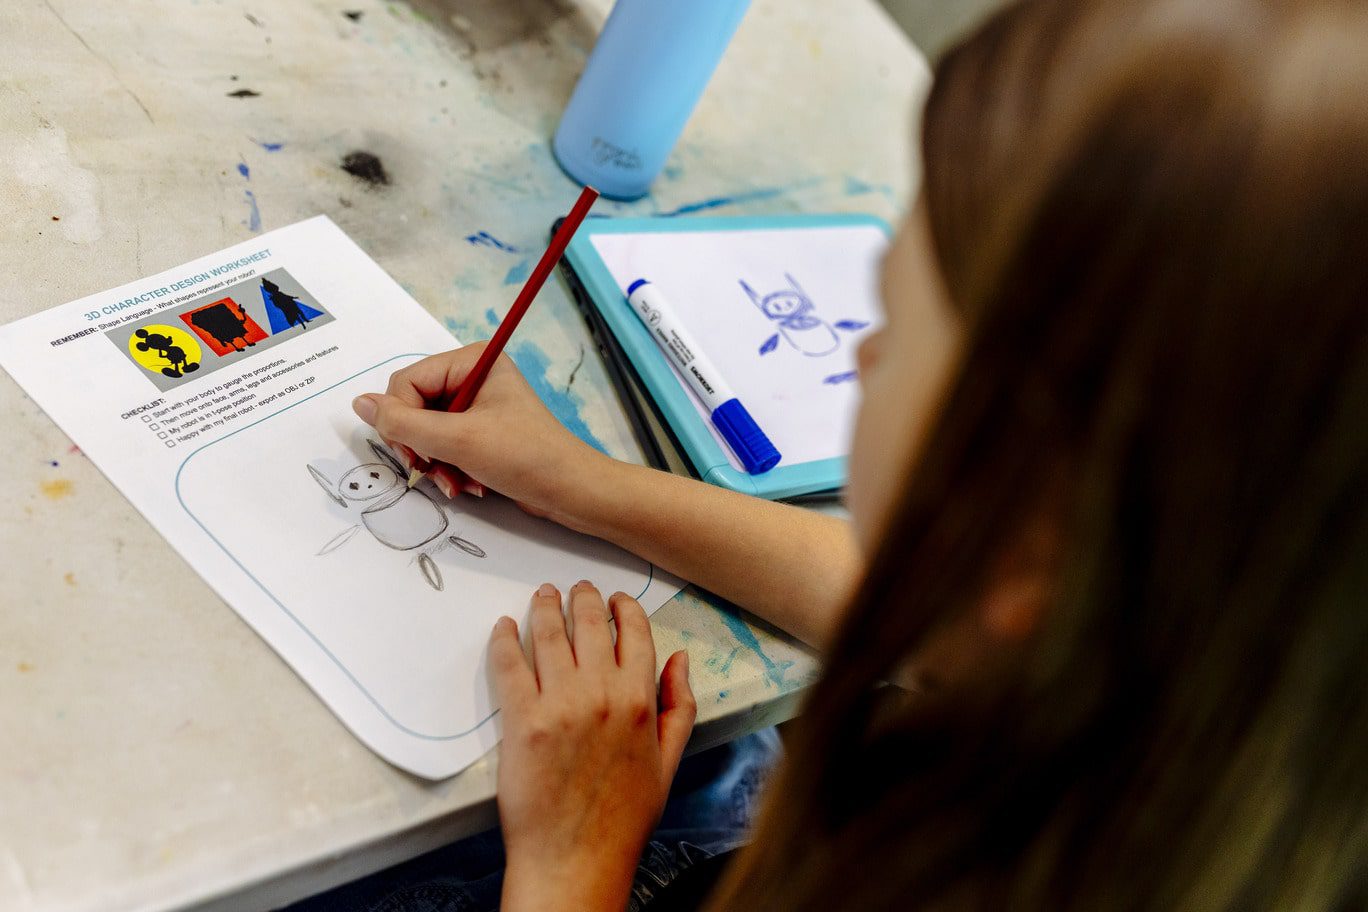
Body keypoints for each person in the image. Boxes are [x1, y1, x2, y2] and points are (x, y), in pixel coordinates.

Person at [345, 0, 1368, 907]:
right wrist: (588, 486)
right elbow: (910, 594)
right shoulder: (1214, 675)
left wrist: (575, 867)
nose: (864, 350)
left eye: (890, 326)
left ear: (1026, 529)